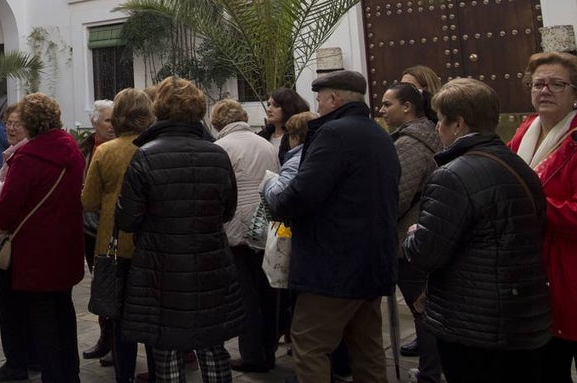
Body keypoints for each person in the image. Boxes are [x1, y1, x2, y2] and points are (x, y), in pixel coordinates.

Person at [404, 78, 550, 382]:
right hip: (522, 316)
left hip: (473, 324)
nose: (436, 129)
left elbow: (426, 254)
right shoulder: (516, 163)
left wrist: (413, 236)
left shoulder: (452, 175)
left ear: (458, 124)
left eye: (440, 121)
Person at [265, 70, 399, 383]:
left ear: (334, 99)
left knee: (309, 342)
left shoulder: (333, 134)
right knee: (366, 345)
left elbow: (303, 193)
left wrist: (276, 201)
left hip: (335, 264)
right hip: (372, 259)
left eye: (320, 100)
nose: (319, 106)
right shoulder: (378, 134)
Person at [115, 77, 242, 383]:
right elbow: (228, 210)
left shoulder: (145, 155)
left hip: (159, 270)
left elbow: (127, 220)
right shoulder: (217, 154)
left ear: (159, 109)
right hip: (210, 265)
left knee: (166, 350)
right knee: (212, 347)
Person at [507, 52, 577, 383]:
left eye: (557, 84)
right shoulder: (527, 131)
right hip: (541, 284)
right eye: (538, 83)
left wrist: (532, 205)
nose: (545, 90)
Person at [0, 92, 85, 383]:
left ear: (30, 125)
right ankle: (70, 373)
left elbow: (5, 213)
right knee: (64, 310)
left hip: (36, 253)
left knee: (42, 318)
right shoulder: (72, 148)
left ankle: (54, 376)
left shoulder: (27, 158)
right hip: (67, 245)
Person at [82, 88, 156, 383]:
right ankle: (155, 371)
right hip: (149, 242)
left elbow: (88, 201)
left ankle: (124, 375)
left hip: (113, 243)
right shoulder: (153, 146)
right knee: (149, 314)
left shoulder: (106, 151)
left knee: (120, 315)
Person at [212, 98, 281, 374]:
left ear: (218, 123)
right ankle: (268, 350)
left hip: (237, 228)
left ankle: (252, 354)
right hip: (266, 225)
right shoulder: (265, 143)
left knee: (245, 294)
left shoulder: (221, 147)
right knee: (268, 292)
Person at [379, 82, 441, 383]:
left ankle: (430, 373)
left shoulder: (409, 144)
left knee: (422, 308)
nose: (381, 110)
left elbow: (398, 195)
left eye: (388, 104)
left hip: (410, 238)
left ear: (407, 107)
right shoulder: (423, 135)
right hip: (422, 233)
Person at [0, 101, 33, 382]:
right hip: (12, 241)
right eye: (8, 123)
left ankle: (16, 362)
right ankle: (29, 356)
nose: (11, 128)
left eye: (17, 123)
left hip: (11, 243)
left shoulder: (21, 155)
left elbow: (5, 194)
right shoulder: (14, 153)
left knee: (12, 306)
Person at [79, 98, 114, 364]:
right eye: (107, 120)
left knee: (113, 288)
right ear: (95, 123)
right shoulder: (85, 149)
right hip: (89, 230)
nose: (112, 125)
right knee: (99, 286)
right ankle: (106, 339)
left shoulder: (123, 147)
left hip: (113, 230)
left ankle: (115, 343)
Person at [258, 88, 310, 164]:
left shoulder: (297, 137)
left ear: (289, 108)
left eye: (276, 105)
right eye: (268, 104)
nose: (269, 109)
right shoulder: (263, 135)